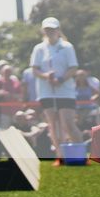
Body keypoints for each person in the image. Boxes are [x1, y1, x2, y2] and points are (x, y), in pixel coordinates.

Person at [30, 17, 79, 161]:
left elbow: (73, 67)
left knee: (68, 123)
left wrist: (61, 79)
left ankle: (78, 155)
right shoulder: (39, 48)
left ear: (58, 30)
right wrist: (46, 76)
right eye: (47, 30)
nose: (50, 32)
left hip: (65, 91)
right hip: (46, 91)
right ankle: (61, 156)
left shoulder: (67, 46)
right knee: (53, 125)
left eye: (52, 29)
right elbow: (35, 69)